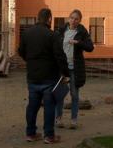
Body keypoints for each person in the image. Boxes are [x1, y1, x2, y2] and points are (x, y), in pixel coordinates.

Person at [18, 8, 69, 144]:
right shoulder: (52, 35)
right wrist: (66, 73)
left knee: (32, 106)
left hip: (33, 76)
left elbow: (21, 51)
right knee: (49, 107)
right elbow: (60, 56)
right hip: (49, 77)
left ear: (37, 18)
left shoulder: (27, 33)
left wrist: (30, 61)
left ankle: (30, 133)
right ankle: (49, 135)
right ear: (49, 19)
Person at [54, 9, 94, 129]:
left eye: (76, 18)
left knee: (74, 95)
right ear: (68, 18)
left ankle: (73, 120)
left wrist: (78, 43)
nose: (73, 20)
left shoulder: (82, 31)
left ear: (80, 20)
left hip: (75, 68)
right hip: (62, 68)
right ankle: (58, 119)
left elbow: (90, 47)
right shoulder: (61, 31)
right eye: (72, 17)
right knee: (60, 94)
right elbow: (54, 45)